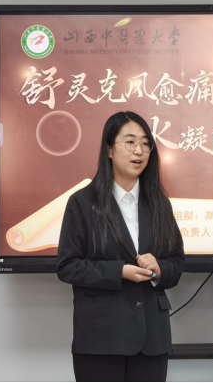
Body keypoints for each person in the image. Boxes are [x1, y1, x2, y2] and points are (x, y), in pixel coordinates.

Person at [57, 111, 185, 383]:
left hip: (152, 339)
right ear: (109, 150)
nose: (139, 150)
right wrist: (120, 272)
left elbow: (176, 262)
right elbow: (68, 267)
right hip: (101, 338)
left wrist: (160, 269)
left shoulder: (159, 203)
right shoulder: (83, 202)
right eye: (130, 142)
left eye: (145, 143)